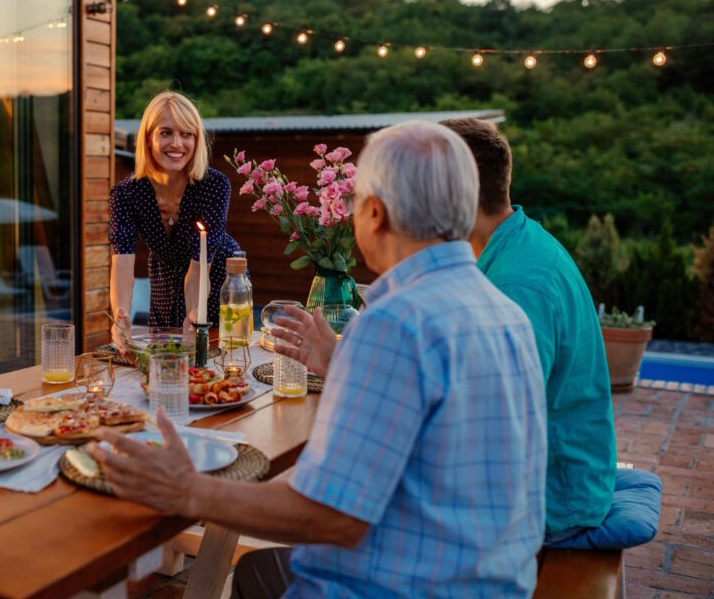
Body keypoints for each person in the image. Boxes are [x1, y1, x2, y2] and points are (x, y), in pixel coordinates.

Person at [89, 122, 548, 597]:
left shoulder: (396, 323)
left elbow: (331, 515)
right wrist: (343, 359)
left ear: (376, 213)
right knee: (256, 572)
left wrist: (187, 491)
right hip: (488, 579)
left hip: (397, 586)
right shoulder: (506, 313)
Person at [441, 117, 617, 544]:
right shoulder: (517, 241)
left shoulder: (517, 285)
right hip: (555, 475)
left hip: (554, 498)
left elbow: (496, 427)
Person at [108, 91, 241, 344]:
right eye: (166, 133)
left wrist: (193, 316)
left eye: (186, 134)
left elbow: (200, 264)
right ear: (148, 139)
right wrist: (120, 316)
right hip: (164, 280)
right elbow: (122, 263)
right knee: (163, 364)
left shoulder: (213, 186)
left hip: (215, 278)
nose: (177, 144)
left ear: (196, 139)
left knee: (210, 362)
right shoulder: (125, 193)